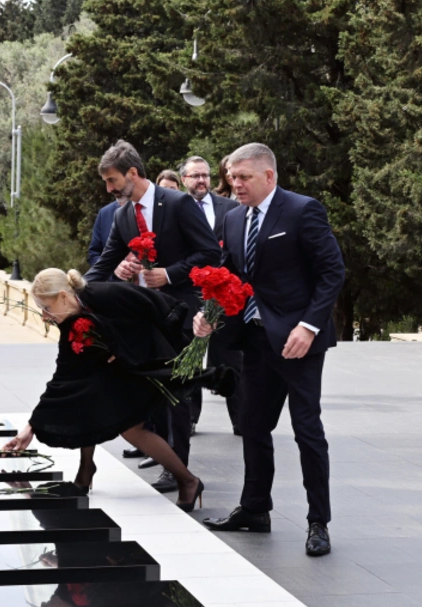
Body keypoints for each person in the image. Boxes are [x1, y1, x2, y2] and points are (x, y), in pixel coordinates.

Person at [193, 143, 346, 557]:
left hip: (299, 343)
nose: (234, 184)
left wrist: (309, 326)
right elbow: (228, 274)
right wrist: (208, 314)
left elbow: (332, 271)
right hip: (255, 341)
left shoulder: (302, 210)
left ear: (269, 176)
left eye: (243, 177)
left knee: (307, 431)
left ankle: (319, 523)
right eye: (232, 177)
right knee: (253, 426)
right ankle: (256, 509)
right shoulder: (233, 216)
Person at [1, 268, 207, 510]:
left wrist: (123, 350)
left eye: (46, 308)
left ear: (63, 297)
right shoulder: (69, 319)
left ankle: (189, 481)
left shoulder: (107, 294)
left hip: (150, 354)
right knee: (85, 397)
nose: (45, 316)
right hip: (119, 363)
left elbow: (160, 308)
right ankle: (86, 470)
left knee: (132, 429)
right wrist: (31, 427)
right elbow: (64, 375)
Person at [85, 141, 221, 494]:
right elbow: (104, 264)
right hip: (145, 317)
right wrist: (72, 293)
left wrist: (170, 274)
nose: (109, 189)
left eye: (113, 180)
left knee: (177, 395)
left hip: (182, 315)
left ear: (133, 173)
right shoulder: (122, 215)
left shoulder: (178, 203)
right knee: (152, 392)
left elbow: (209, 253)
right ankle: (167, 462)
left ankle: (179, 470)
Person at [181, 155, 242, 434]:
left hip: (223, 293)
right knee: (189, 355)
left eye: (205, 175)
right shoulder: (175, 209)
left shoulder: (230, 208)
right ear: (184, 180)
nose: (201, 180)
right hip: (187, 292)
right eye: (195, 176)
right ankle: (190, 418)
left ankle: (241, 419)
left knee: (229, 356)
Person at [87, 198, 124, 267]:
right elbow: (93, 255)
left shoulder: (149, 208)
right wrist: (112, 267)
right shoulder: (105, 213)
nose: (109, 190)